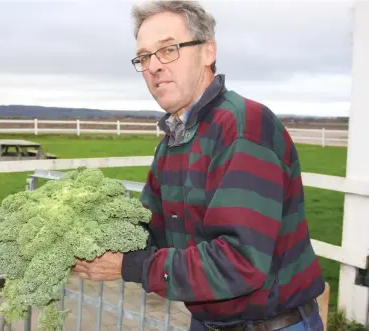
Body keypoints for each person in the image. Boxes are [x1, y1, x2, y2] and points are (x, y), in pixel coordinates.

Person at [73, 1, 326, 330]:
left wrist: (127, 266)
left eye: (168, 50)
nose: (153, 66)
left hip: (272, 324)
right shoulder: (172, 142)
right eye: (145, 57)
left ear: (208, 52)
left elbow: (240, 263)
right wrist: (79, 235)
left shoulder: (244, 126)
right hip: (207, 322)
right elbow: (148, 231)